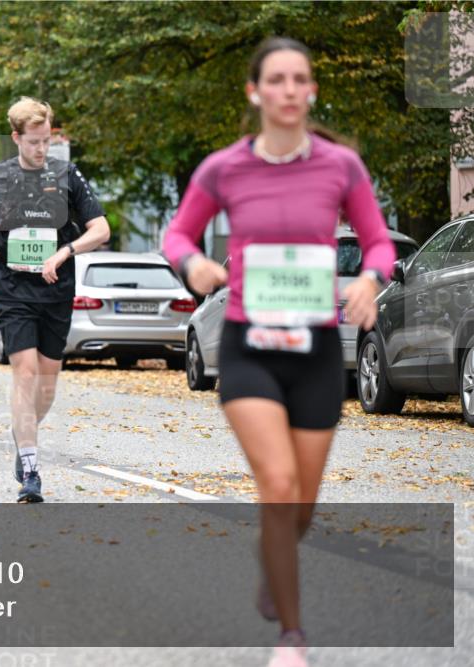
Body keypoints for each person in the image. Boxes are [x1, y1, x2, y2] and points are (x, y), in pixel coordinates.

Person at [161, 37, 396, 667]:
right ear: (256, 92)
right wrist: (196, 264)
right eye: (278, 79)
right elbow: (177, 232)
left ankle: (276, 559)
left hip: (316, 347)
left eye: (301, 79)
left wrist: (371, 280)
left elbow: (377, 244)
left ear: (311, 90)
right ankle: (292, 636)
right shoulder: (224, 167)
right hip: (249, 345)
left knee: (303, 504)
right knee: (279, 482)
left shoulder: (340, 166)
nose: (291, 89)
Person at [0, 97, 110, 503]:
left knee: (46, 385)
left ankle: (22, 431)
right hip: (12, 288)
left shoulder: (67, 174)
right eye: (34, 141)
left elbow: (99, 229)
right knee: (25, 373)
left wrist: (66, 251)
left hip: (56, 290)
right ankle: (30, 469)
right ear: (16, 137)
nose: (41, 149)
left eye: (47, 140)